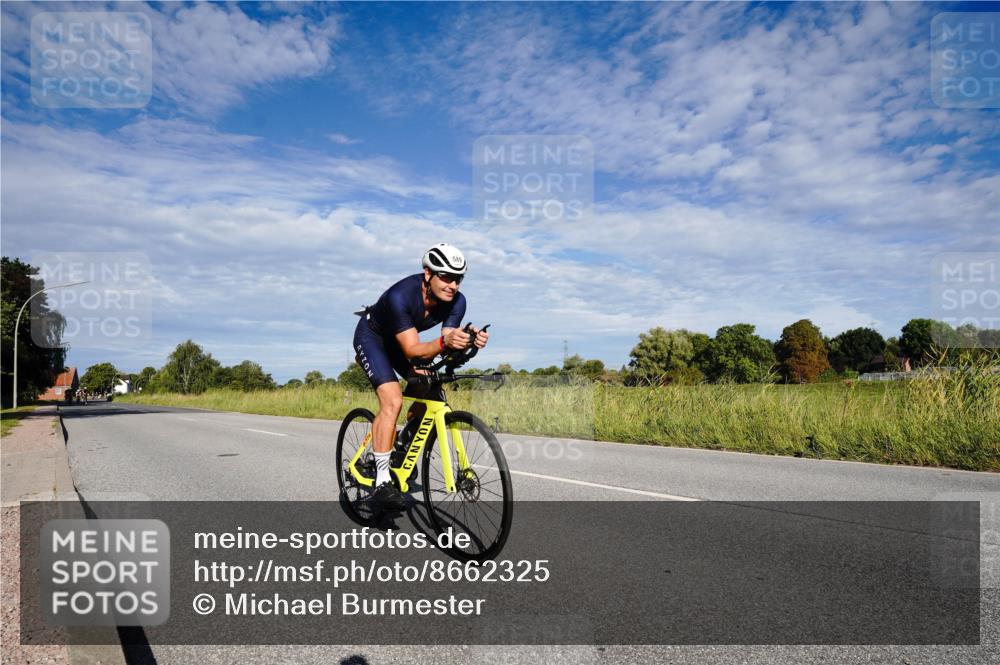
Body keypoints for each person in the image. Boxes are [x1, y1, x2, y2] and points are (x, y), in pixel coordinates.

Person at [353, 243, 489, 509]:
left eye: (458, 279)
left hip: (401, 342)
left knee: (430, 386)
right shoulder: (401, 296)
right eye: (446, 277)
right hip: (373, 339)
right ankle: (382, 481)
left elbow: (447, 338)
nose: (453, 285)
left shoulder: (457, 301)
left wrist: (467, 339)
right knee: (392, 399)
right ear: (428, 274)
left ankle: (405, 438)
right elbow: (413, 349)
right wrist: (445, 341)